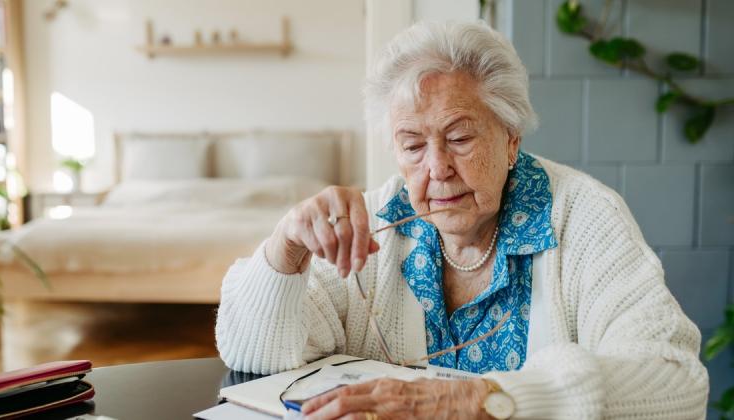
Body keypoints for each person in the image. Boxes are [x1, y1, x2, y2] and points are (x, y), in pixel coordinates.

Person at [215, 21, 709, 419]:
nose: (436, 168)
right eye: (412, 145)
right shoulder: (377, 225)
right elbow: (256, 356)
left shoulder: (583, 218)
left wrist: (490, 399)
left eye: (459, 137)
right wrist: (285, 250)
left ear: (511, 138)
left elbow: (676, 383)